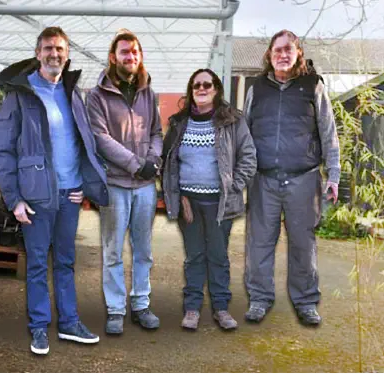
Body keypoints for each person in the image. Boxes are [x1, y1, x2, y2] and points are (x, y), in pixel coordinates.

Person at [0, 26, 109, 355]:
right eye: (47, 48)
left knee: (66, 261)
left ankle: (70, 322)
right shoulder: (21, 95)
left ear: (67, 54)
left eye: (59, 48)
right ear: (38, 53)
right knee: (39, 263)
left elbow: (86, 144)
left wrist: (84, 185)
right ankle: (39, 326)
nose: (53, 54)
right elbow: (2, 151)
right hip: (36, 197)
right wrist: (14, 198)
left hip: (69, 193)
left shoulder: (74, 94)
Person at [243, 29, 340, 326]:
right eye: (277, 51)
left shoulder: (313, 86)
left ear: (298, 52)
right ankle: (260, 298)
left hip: (303, 178)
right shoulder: (256, 89)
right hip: (264, 180)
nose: (282, 55)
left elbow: (328, 132)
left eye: (288, 49)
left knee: (303, 244)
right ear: (269, 56)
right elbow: (243, 133)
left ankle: (306, 301)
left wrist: (333, 174)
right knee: (259, 242)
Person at [162, 68, 257, 331]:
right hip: (188, 202)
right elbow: (167, 160)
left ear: (216, 89)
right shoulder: (178, 123)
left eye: (207, 85)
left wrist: (234, 186)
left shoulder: (233, 121)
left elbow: (248, 157)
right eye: (196, 86)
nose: (201, 89)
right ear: (191, 91)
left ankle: (221, 308)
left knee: (217, 255)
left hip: (220, 202)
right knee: (194, 256)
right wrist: (174, 194)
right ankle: (192, 308)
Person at [86, 30, 163, 335]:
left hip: (144, 187)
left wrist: (153, 161)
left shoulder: (149, 94)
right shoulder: (97, 96)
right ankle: (116, 309)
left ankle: (141, 304)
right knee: (113, 250)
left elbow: (157, 132)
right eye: (123, 52)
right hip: (116, 184)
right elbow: (100, 138)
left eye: (134, 52)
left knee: (143, 249)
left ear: (139, 56)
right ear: (112, 57)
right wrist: (135, 164)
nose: (129, 57)